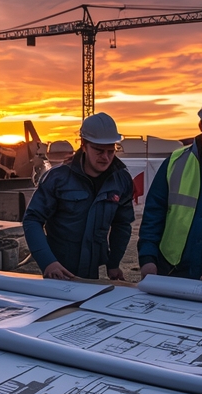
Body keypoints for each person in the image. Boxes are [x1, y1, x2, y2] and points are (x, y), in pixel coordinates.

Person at [137, 95, 202, 280]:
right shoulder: (175, 162)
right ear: (201, 126)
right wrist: (147, 257)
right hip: (173, 270)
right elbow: (154, 213)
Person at [23, 112, 136, 280]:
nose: (105, 157)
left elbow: (122, 224)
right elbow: (32, 219)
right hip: (59, 270)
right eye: (99, 151)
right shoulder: (58, 179)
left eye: (110, 151)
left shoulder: (121, 180)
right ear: (84, 145)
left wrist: (113, 263)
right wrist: (48, 262)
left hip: (92, 271)